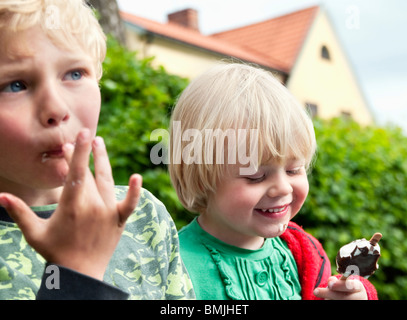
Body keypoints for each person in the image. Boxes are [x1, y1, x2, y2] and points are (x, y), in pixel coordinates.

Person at [0, 0, 194, 300]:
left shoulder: (144, 215)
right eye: (15, 85)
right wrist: (76, 274)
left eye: (75, 74)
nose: (56, 108)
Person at [168, 63, 378, 300]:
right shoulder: (174, 268)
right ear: (200, 178)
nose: (283, 187)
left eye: (294, 170)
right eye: (256, 176)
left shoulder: (303, 252)